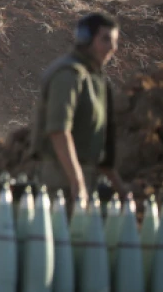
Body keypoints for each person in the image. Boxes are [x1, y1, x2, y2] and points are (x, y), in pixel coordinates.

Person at [30, 12, 126, 203]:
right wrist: (77, 181)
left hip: (83, 180)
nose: (113, 47)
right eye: (105, 39)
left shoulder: (95, 78)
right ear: (86, 39)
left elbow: (98, 144)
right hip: (61, 183)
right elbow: (58, 131)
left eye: (115, 41)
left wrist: (120, 189)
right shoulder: (69, 75)